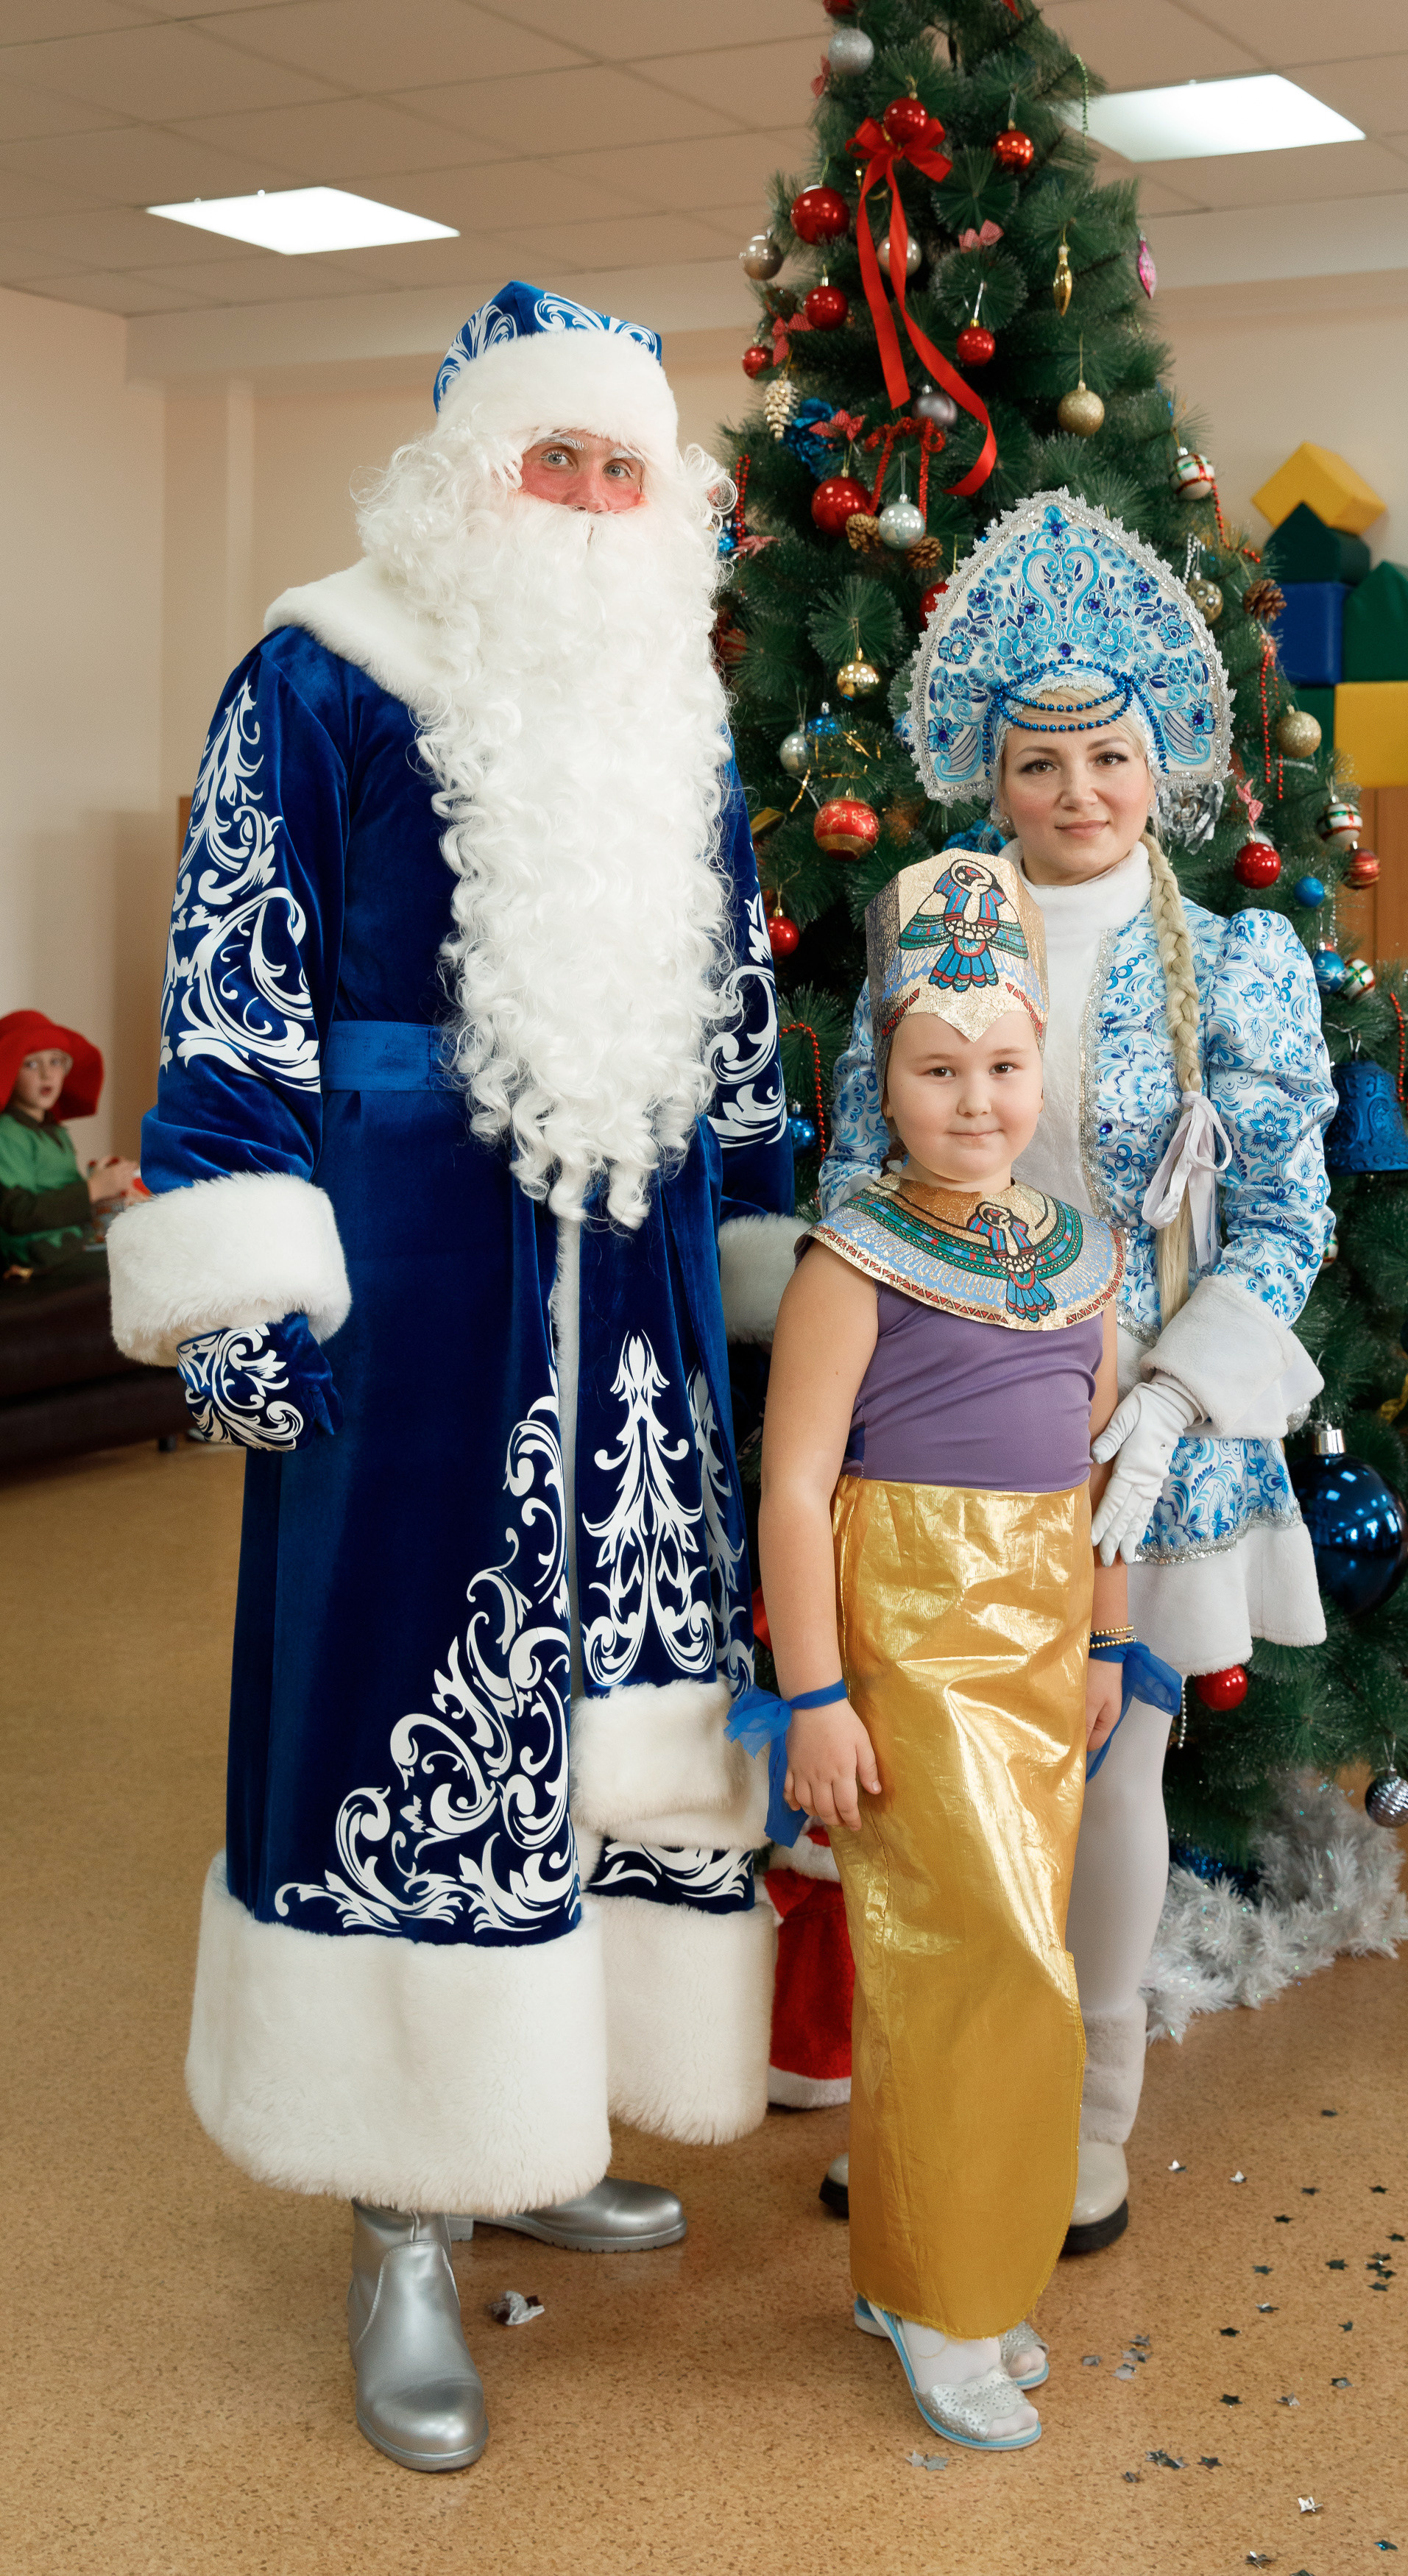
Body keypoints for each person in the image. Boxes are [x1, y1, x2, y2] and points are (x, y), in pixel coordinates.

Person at [106, 283, 795, 2472]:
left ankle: (531, 2113)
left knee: (611, 1731)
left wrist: (772, 1273)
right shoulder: (319, 669)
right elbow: (233, 983)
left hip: (643, 1308)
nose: (592, 505)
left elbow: (743, 1008)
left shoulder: (678, 702)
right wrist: (235, 1304)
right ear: (466, 476)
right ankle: (400, 2206)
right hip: (400, 1307)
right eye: (553, 461)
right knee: (402, 1720)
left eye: (624, 467)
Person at [816, 492, 1336, 2254]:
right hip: (936, 1425)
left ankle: (1085, 2118)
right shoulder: (924, 932)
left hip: (1138, 1434)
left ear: (1160, 759)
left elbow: (1282, 1216)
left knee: (1108, 1766)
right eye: (1039, 763)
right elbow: (847, 1175)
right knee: (925, 1770)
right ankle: (929, 2104)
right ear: (993, 769)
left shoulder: (1241, 965)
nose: (1077, 794)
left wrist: (1177, 1398)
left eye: (1109, 755)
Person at [758, 849, 1149, 2452]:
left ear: (1037, 1066)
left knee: (1001, 1954)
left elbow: (1099, 1461)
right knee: (962, 1963)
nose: (972, 1100)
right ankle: (943, 2299)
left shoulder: (1077, 1258)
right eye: (935, 1067)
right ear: (884, 1074)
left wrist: (1109, 1641)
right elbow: (790, 1485)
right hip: (908, 1639)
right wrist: (812, 1693)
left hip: (1042, 1640)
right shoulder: (851, 1260)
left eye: (1000, 1065)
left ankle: (925, 2260)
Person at [0, 1010, 138, 1281]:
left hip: (73, 1240)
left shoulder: (55, 1131)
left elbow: (62, 1192)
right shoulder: (8, 1133)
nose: (46, 1074)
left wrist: (103, 1189)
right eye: (30, 1064)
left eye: (55, 1062)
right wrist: (93, 1188)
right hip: (37, 1255)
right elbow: (17, 1213)